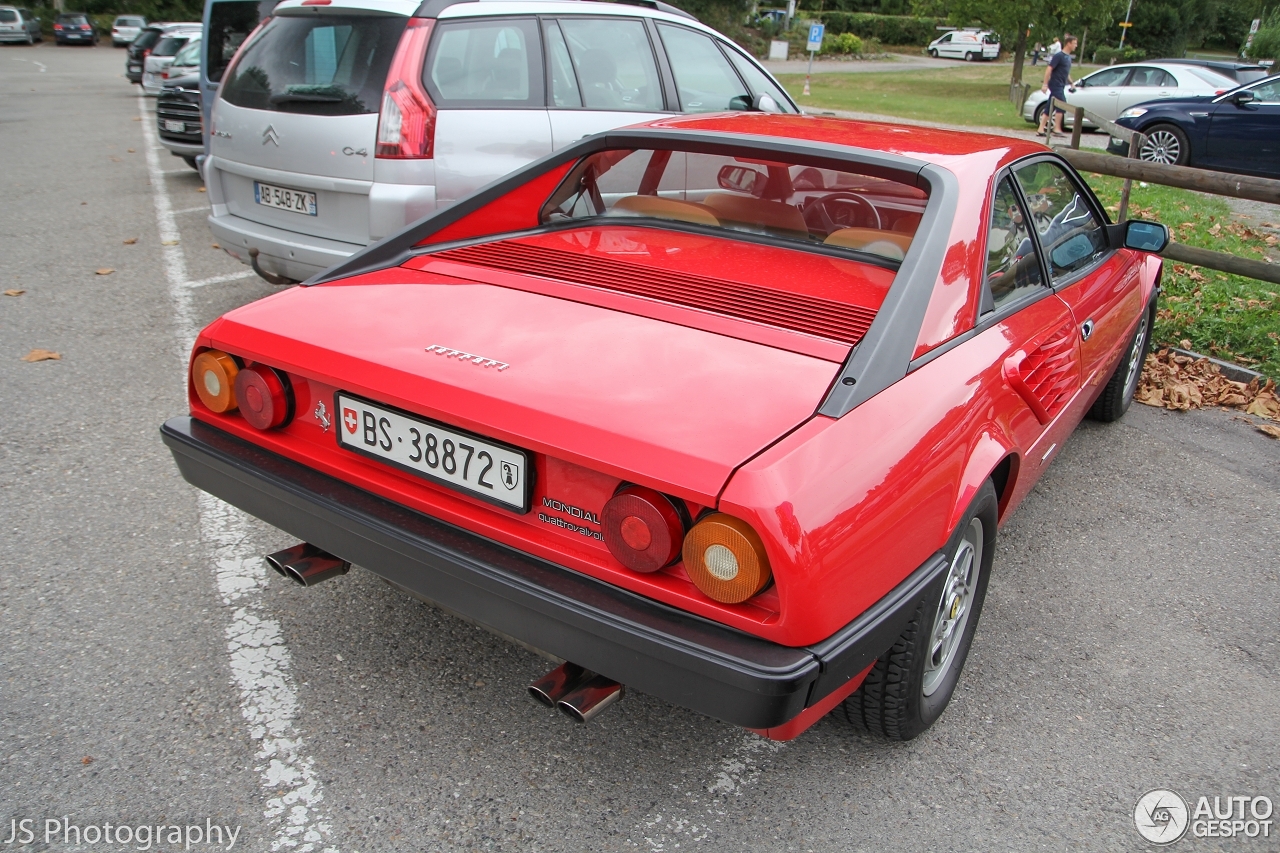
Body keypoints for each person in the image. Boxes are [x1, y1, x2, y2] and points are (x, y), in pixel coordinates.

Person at [1037, 34, 1076, 137]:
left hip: (1061, 85)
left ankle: (1041, 129)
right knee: (1062, 104)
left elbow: (1066, 72)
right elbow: (1049, 69)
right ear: (1068, 44)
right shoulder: (1059, 56)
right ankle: (1057, 129)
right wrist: (1045, 84)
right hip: (1055, 84)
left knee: (1050, 105)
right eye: (1074, 43)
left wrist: (1071, 83)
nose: (1076, 46)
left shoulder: (1068, 58)